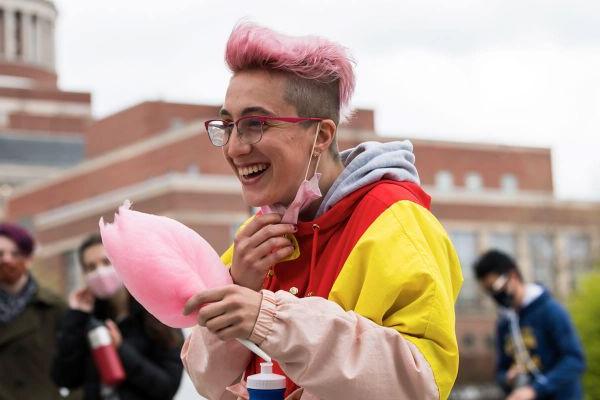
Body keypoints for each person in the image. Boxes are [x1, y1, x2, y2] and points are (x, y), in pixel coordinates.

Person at [181, 22, 463, 400]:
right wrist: (236, 283)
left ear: (322, 135)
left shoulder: (396, 220)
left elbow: (421, 381)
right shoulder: (254, 236)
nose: (233, 148)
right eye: (228, 125)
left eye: (254, 124)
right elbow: (206, 381)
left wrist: (271, 319)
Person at [51, 234, 184, 400]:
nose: (100, 272)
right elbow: (64, 378)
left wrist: (120, 349)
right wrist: (76, 316)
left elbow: (167, 387)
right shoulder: (88, 319)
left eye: (106, 262)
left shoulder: (156, 314)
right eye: (91, 267)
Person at [473, 249, 585, 400]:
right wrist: (507, 378)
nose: (495, 295)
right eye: (488, 291)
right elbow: (500, 371)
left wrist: (536, 389)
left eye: (496, 287)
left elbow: (574, 360)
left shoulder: (550, 311)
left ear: (512, 275)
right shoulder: (504, 323)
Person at [0, 223, 66, 400]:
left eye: (15, 254)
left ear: (28, 259)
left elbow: (75, 363)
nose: (7, 260)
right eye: (0, 254)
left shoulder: (54, 307)